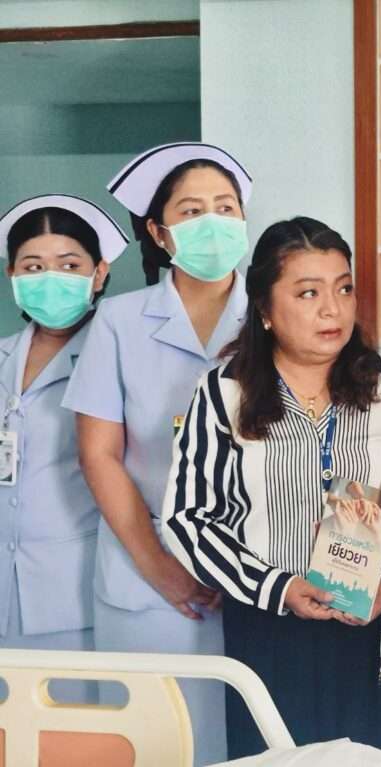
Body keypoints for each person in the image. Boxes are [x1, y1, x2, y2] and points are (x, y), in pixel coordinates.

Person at [163, 217, 381, 758]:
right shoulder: (224, 393)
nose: (333, 310)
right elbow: (189, 518)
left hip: (371, 625)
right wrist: (276, 588)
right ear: (264, 308)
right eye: (308, 293)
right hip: (268, 629)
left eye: (344, 288)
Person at [62, 142, 254, 766]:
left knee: (252, 744)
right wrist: (160, 565)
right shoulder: (119, 322)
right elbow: (99, 455)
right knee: (151, 744)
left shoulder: (274, 317)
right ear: (159, 232)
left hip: (258, 570)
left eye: (225, 207)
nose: (212, 222)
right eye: (192, 211)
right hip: (148, 571)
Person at [0, 195, 127, 701]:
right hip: (3, 591)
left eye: (69, 265)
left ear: (98, 274)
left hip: (73, 596)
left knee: (73, 726)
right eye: (33, 266)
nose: (50, 279)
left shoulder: (117, 353)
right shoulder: (3, 356)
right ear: (12, 275)